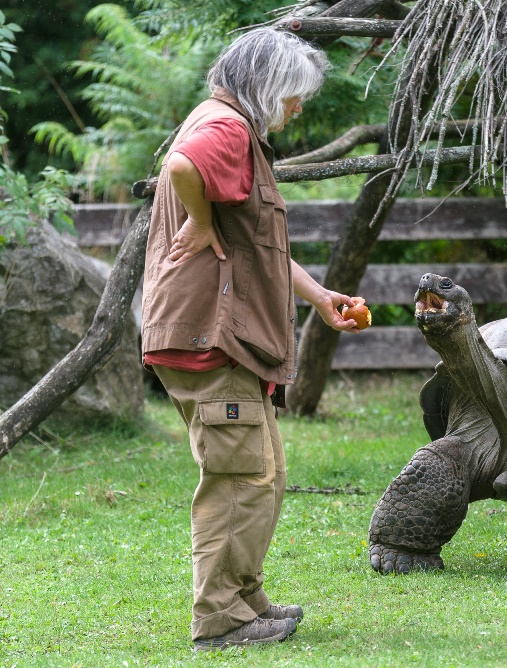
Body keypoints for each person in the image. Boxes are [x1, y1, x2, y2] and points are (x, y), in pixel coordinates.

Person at [141, 27, 362, 652]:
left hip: (222, 336)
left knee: (261, 474)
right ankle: (220, 618)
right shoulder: (227, 129)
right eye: (295, 97)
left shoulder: (236, 131)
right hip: (208, 335)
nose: (298, 110)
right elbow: (181, 165)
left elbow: (255, 247)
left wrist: (319, 297)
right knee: (238, 478)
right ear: (269, 86)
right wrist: (201, 217)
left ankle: (244, 597)